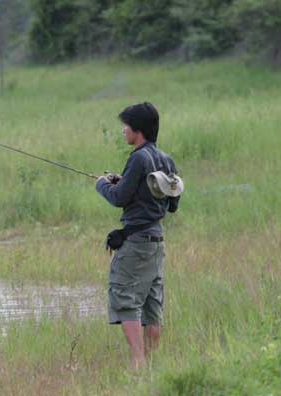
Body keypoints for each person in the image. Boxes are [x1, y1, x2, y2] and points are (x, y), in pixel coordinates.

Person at [95, 102, 180, 369]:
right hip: (157, 242)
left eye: (126, 126)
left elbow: (119, 198)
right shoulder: (166, 159)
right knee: (152, 302)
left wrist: (101, 184)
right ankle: (151, 365)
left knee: (124, 293)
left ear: (138, 130)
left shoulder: (138, 157)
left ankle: (138, 362)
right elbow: (172, 204)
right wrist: (127, 181)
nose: (123, 130)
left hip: (137, 242)